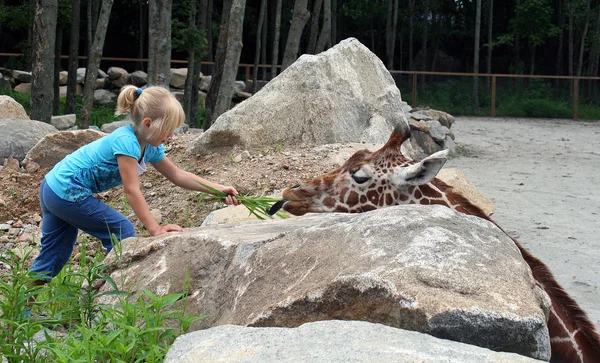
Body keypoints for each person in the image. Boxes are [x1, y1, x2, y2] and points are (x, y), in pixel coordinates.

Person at [29, 85, 241, 282]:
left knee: (54, 256)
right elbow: (131, 190)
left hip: (53, 188)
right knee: (122, 232)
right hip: (67, 191)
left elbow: (177, 174)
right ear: (148, 123)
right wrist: (155, 229)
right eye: (168, 129)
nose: (172, 135)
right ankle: (112, 296)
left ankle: (22, 307)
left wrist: (218, 189)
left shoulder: (150, 145)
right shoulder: (126, 142)